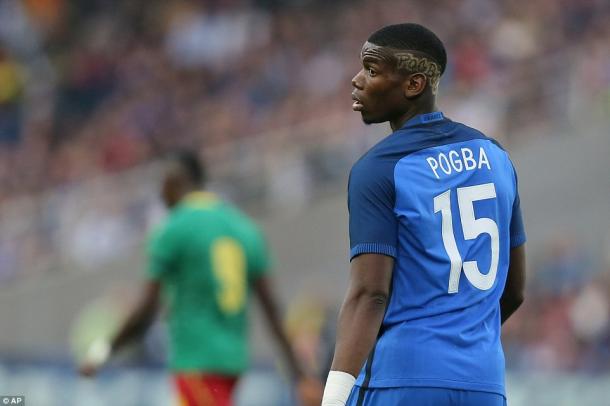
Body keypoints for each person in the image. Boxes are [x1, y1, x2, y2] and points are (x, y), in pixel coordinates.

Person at [322, 23, 526, 406]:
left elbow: (370, 294)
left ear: (414, 85)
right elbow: (514, 290)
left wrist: (331, 399)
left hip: (403, 378)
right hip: (484, 384)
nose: (356, 80)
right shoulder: (497, 158)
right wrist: (461, 340)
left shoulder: (380, 167)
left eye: (371, 69)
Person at [78, 150, 322, 406]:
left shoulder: (172, 229)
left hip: (197, 363)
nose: (160, 194)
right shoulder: (245, 229)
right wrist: (300, 374)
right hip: (232, 362)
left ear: (176, 179)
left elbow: (146, 309)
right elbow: (272, 309)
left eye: (162, 183)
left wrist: (101, 352)